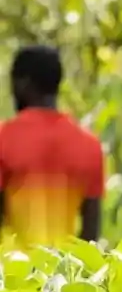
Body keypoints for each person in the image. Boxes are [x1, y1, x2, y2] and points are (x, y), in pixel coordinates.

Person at [0, 44, 106, 248]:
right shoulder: (90, 145)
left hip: (13, 275)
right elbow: (91, 234)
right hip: (65, 275)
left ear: (23, 83)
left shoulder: (5, 138)